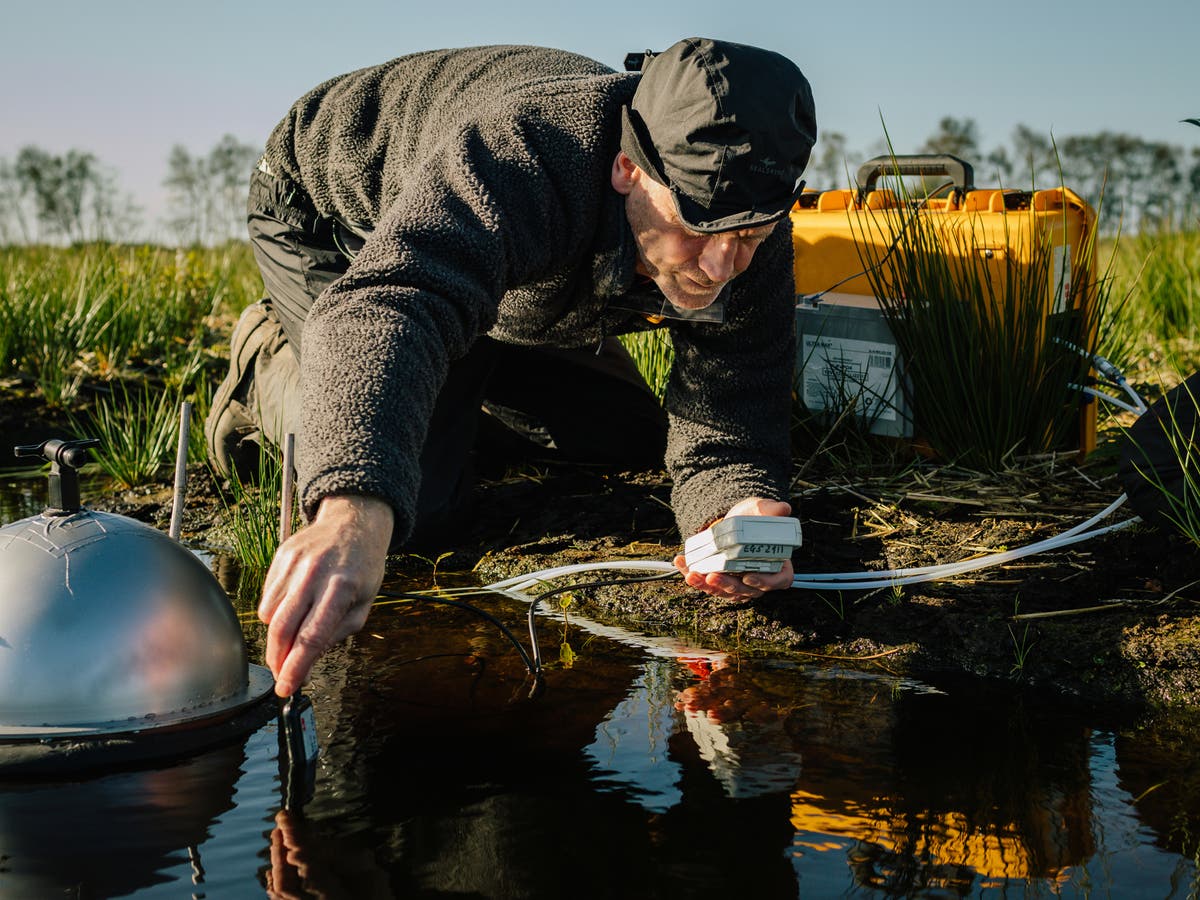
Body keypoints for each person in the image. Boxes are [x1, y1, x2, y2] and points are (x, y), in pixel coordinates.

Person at [205, 37, 817, 697]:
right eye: (695, 231)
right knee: (418, 506)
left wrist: (731, 509)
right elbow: (397, 306)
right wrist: (352, 510)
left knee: (627, 436)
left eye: (748, 238)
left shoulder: (746, 209)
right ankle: (268, 354)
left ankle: (453, 377)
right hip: (336, 225)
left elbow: (732, 403)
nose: (722, 267)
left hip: (509, 282)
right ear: (627, 169)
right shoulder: (521, 153)